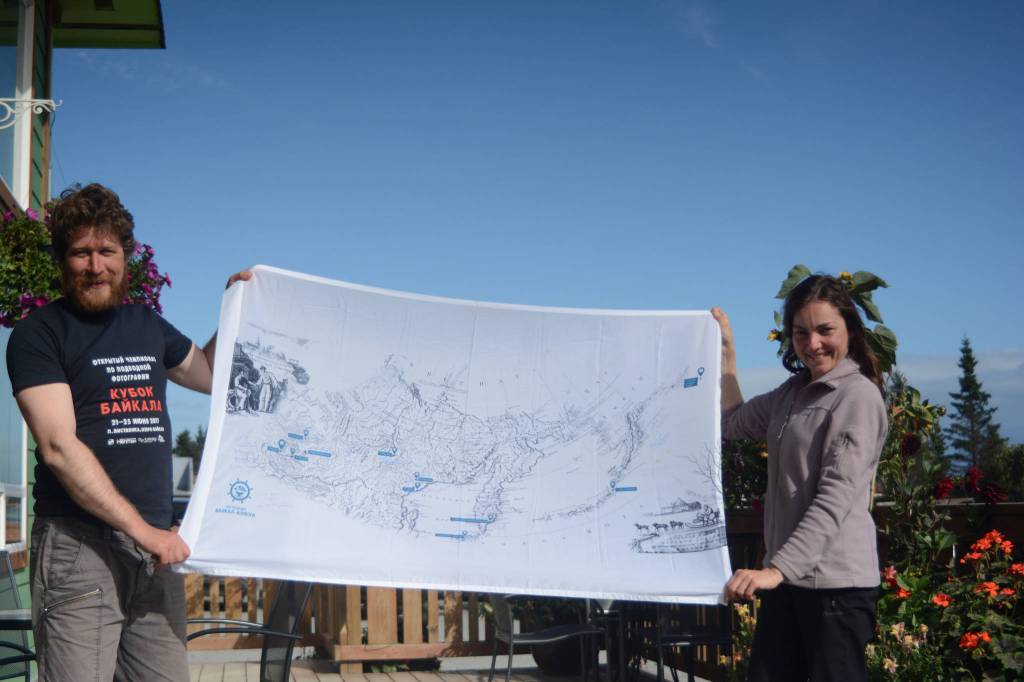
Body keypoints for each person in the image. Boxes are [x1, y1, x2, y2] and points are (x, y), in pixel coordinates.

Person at [4, 183, 251, 681]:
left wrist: (237, 307)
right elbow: (57, 447)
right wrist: (144, 533)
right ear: (62, 259)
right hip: (80, 550)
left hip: (153, 554)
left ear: (126, 256)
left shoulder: (146, 324)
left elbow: (207, 374)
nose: (96, 266)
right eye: (81, 252)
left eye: (107, 251)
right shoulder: (40, 334)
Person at [713, 274, 888, 681]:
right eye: (800, 333)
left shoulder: (857, 397)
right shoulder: (791, 395)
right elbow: (733, 423)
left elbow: (835, 498)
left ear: (850, 329)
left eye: (825, 330)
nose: (813, 344)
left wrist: (775, 570)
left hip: (836, 591)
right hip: (788, 582)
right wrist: (727, 352)